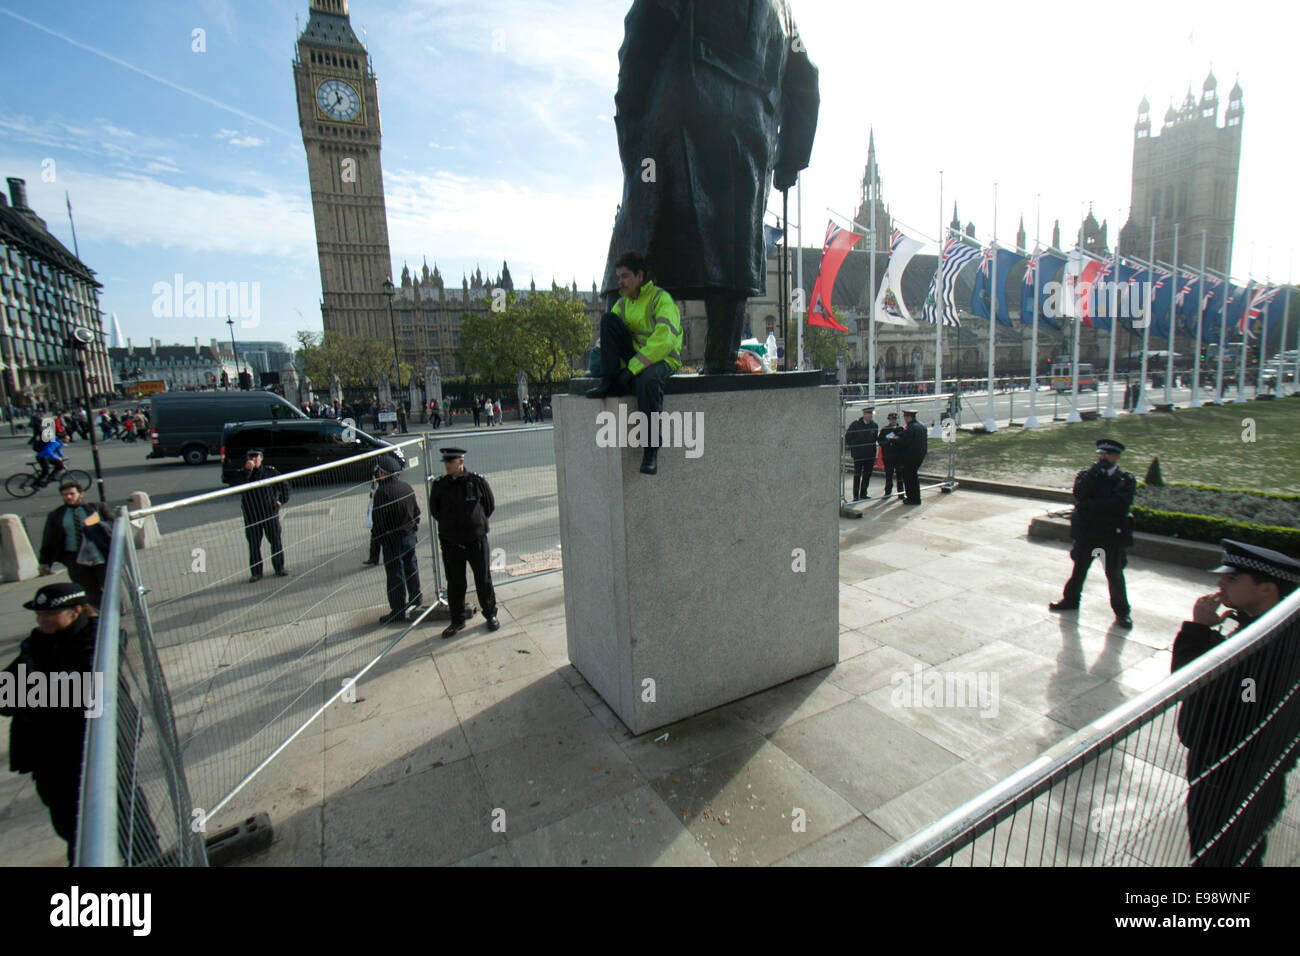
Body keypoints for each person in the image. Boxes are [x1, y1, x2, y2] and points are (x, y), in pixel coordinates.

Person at [601, 0, 819, 373]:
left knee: (639, 235)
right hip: (750, 136)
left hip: (678, 113)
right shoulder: (783, 12)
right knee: (732, 255)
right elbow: (806, 84)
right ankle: (719, 362)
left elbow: (645, 28)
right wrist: (790, 159)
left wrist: (630, 119)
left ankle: (613, 356)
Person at [1171, 540, 1300, 866]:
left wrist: (1198, 632)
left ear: (1267, 589)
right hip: (1257, 770)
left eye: (1232, 579)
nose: (1220, 584)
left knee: (1215, 854)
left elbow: (1194, 684)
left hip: (1226, 775)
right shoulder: (1279, 624)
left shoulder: (1261, 643)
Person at [585, 251, 683, 475]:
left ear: (640, 276)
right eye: (618, 276)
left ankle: (650, 451)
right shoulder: (622, 303)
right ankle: (608, 382)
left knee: (648, 381)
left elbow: (664, 340)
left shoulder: (661, 299)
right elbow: (610, 338)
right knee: (608, 319)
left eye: (625, 276)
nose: (620, 281)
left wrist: (632, 369)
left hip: (662, 357)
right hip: (636, 358)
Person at [1049, 438, 1135, 628]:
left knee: (1114, 575)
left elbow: (1120, 504)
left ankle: (1122, 612)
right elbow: (1079, 494)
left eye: (1108, 455)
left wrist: (1091, 505)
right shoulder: (1087, 474)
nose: (1103, 458)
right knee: (1078, 570)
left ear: (1117, 457)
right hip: (1087, 534)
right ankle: (1070, 601)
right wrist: (1092, 476)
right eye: (1101, 454)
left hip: (1110, 536)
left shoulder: (1125, 479)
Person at [429, 447, 498, 639]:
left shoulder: (476, 481)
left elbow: (489, 506)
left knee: (483, 579)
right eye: (445, 462)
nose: (447, 465)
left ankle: (490, 614)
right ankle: (457, 620)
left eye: (450, 462)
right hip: (452, 543)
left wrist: (475, 524)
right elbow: (436, 510)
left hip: (475, 540)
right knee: (455, 583)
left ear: (461, 462)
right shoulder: (440, 485)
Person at [38, 480, 115, 609]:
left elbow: (114, 525)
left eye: (71, 494)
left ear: (81, 494)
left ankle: (118, 610)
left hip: (99, 555)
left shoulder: (97, 508)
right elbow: (49, 539)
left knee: (110, 584)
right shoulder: (56, 515)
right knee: (87, 589)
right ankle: (100, 613)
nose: (68, 497)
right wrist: (44, 562)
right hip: (74, 557)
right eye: (65, 495)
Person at [371, 455, 422, 624]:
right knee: (411, 569)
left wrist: (379, 542)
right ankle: (416, 600)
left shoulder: (382, 493)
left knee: (395, 576)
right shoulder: (406, 487)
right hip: (409, 536)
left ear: (383, 473)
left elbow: (378, 521)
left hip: (392, 540)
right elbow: (416, 512)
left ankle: (398, 610)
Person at [233, 448, 289, 581]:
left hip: (269, 513)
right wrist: (247, 471)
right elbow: (236, 487)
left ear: (261, 458)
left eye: (256, 457)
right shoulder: (243, 473)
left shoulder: (270, 471)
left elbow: (284, 486)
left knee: (275, 541)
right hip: (252, 515)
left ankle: (279, 567)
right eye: (250, 457)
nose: (253, 460)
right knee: (254, 544)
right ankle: (256, 572)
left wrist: (281, 500)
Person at [844, 406, 878, 501]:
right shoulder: (856, 424)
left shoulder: (874, 425)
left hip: (869, 455)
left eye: (871, 414)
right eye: (869, 414)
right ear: (864, 414)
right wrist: (854, 447)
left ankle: (863, 493)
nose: (870, 416)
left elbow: (874, 439)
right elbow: (848, 437)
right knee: (857, 474)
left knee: (867, 474)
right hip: (858, 454)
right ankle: (856, 495)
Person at [896, 409, 928, 505]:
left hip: (910, 457)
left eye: (905, 417)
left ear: (909, 417)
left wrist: (895, 439)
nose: (904, 419)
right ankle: (916, 497)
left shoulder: (911, 428)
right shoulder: (921, 426)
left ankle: (912, 498)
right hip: (919, 455)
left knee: (909, 478)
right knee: (913, 477)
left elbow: (905, 442)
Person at [878, 412, 904, 500]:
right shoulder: (885, 429)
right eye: (891, 419)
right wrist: (888, 440)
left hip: (898, 456)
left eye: (894, 419)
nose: (893, 421)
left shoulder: (900, 429)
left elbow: (903, 440)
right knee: (889, 475)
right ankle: (888, 492)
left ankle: (901, 493)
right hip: (888, 455)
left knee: (900, 475)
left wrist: (895, 439)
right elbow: (880, 441)